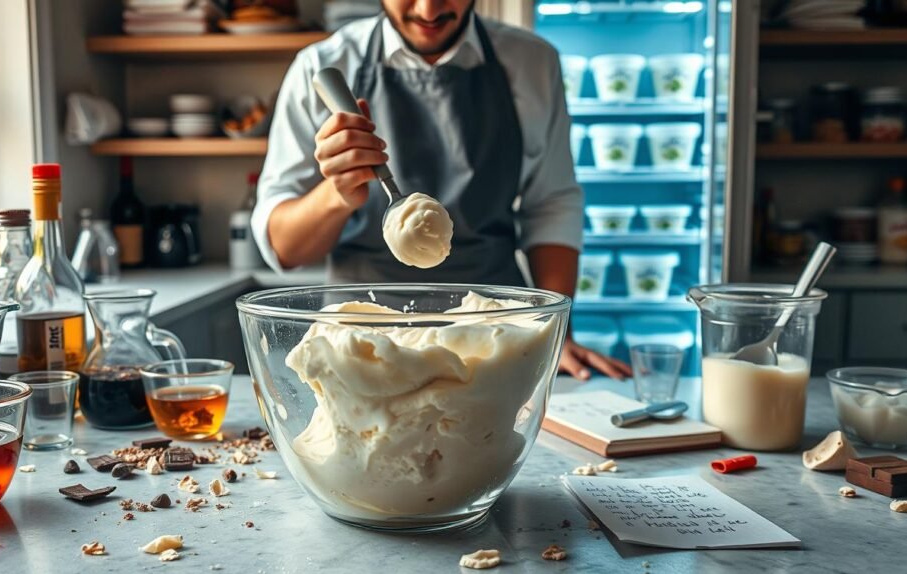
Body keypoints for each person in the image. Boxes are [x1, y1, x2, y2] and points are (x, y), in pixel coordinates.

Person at [253, 0, 631, 381]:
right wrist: (336, 194)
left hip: (495, 342)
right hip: (359, 348)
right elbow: (285, 249)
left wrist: (553, 330)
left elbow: (551, 203)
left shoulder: (532, 62)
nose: (428, 11)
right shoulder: (322, 65)